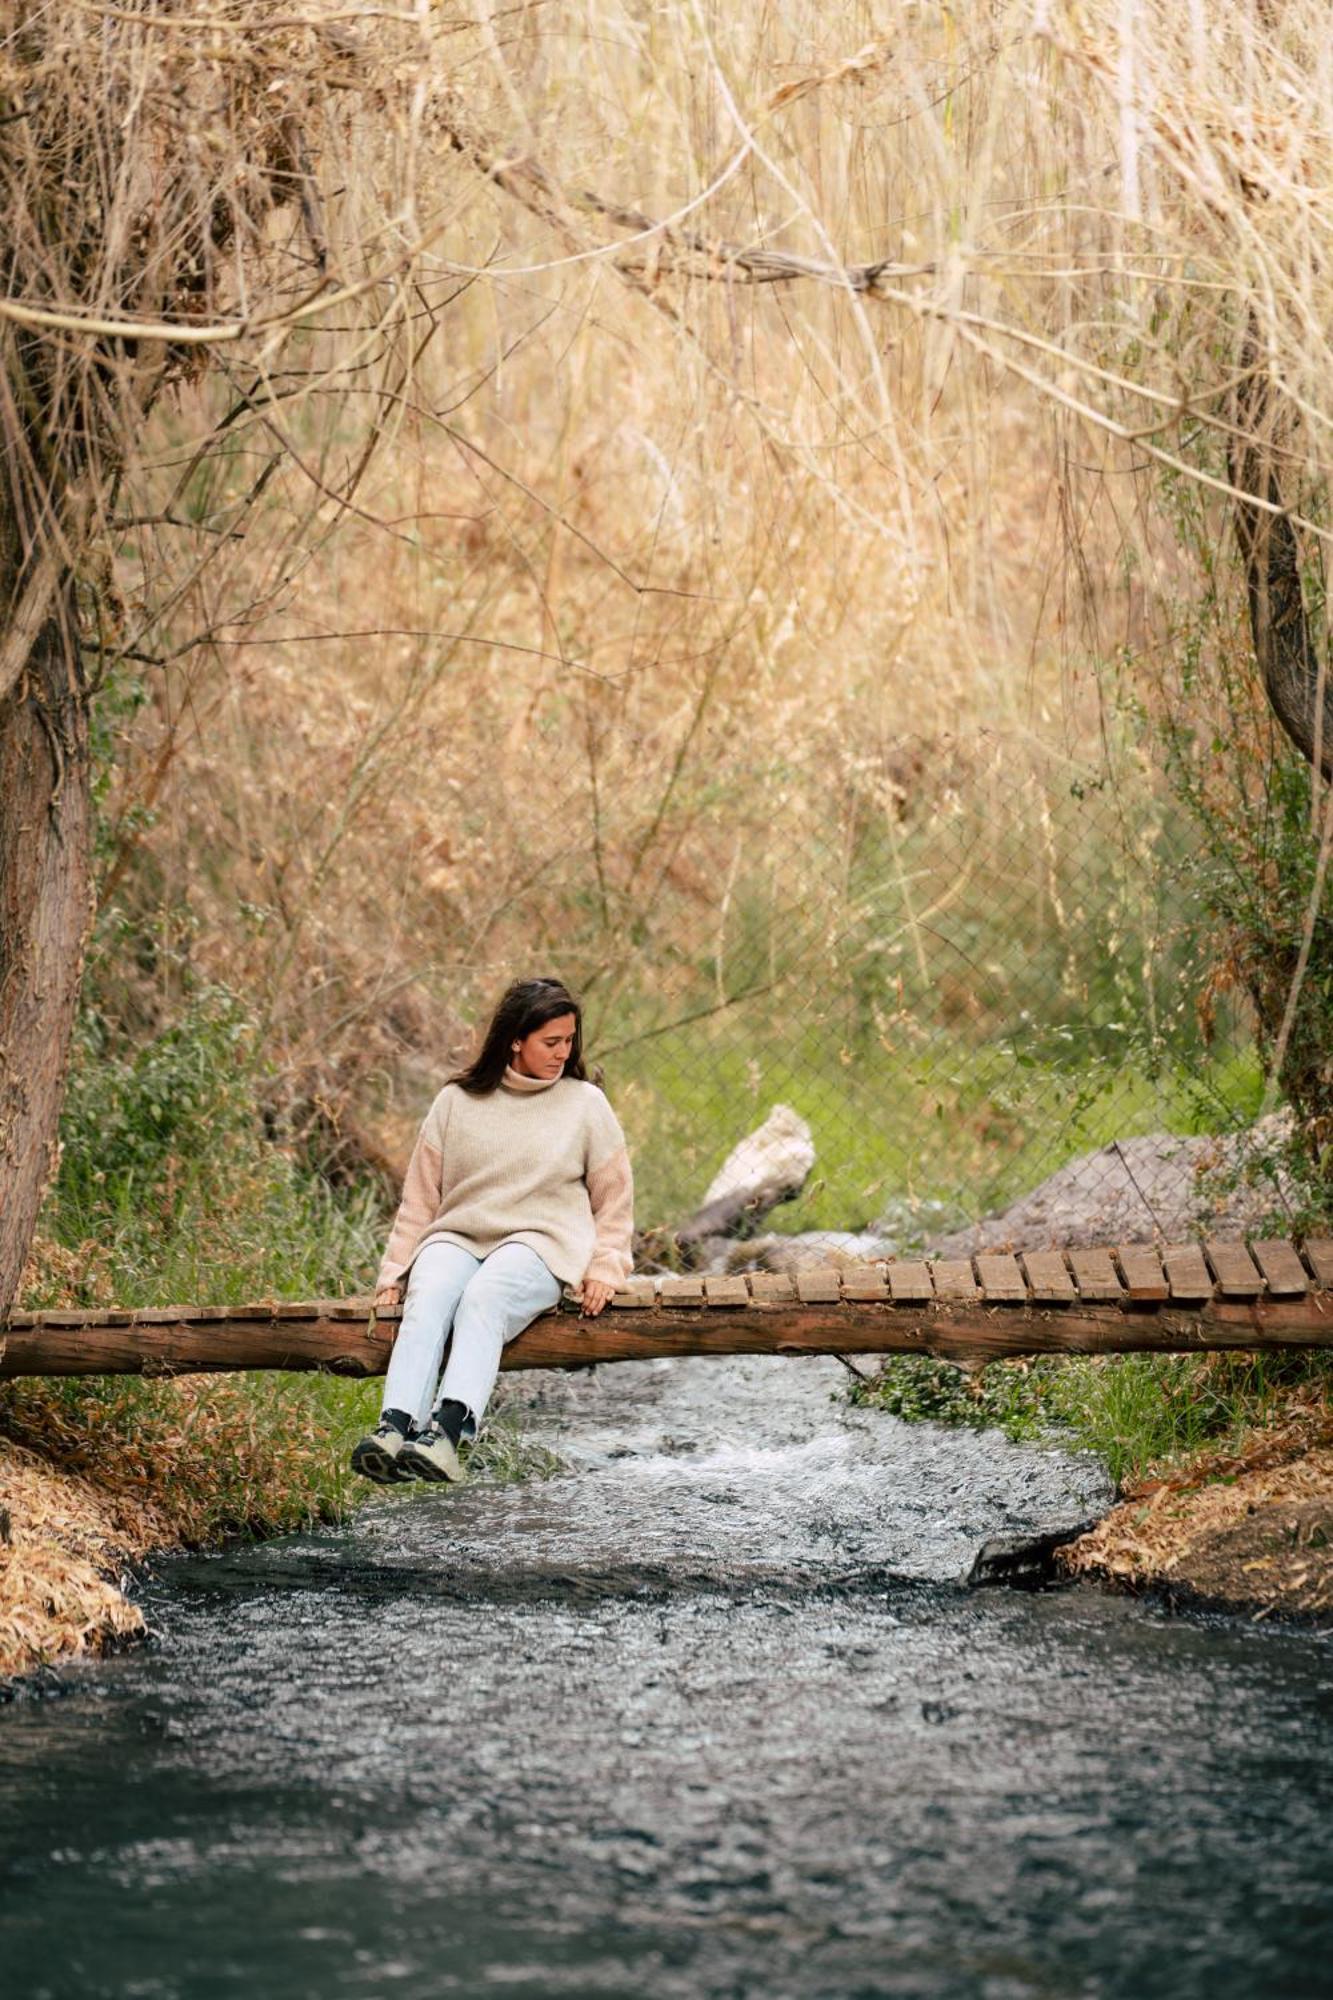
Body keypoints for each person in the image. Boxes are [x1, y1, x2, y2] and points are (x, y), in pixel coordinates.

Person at [350, 976, 634, 1485]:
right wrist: (394, 1272)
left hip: (540, 1242)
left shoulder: (586, 1104)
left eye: (569, 1041)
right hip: (459, 1234)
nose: (563, 1053)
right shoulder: (455, 1101)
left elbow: (614, 1202)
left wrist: (606, 1266)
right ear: (515, 1040)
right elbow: (419, 1201)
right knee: (430, 1293)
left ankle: (448, 1436)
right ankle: (394, 1429)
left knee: (484, 1298)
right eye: (552, 1042)